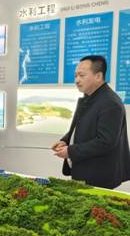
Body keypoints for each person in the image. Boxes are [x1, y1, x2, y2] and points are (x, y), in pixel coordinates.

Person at [52, 55, 130, 189]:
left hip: (99, 175)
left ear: (98, 76)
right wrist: (66, 140)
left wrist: (71, 151)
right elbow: (80, 126)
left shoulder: (110, 103)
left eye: (82, 75)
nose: (77, 80)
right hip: (84, 170)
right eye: (76, 75)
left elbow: (106, 141)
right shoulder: (90, 97)